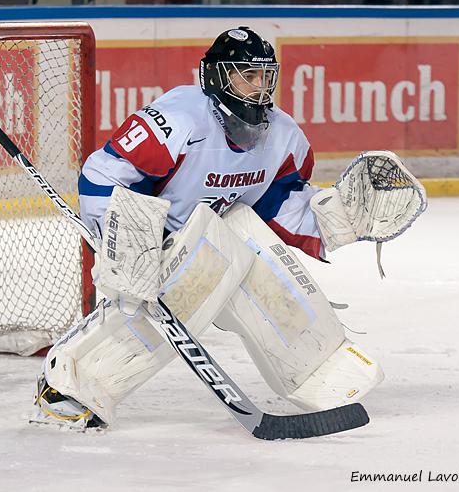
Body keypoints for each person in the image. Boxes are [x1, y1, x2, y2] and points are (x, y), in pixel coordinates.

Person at [32, 26, 426, 429]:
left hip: (216, 240)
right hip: (156, 246)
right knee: (200, 270)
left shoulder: (283, 136)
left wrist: (341, 217)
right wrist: (130, 242)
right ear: (217, 76)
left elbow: (277, 204)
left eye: (265, 76)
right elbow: (105, 174)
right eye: (247, 75)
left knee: (250, 244)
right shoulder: (178, 120)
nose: (259, 86)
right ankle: (71, 385)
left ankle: (317, 372)